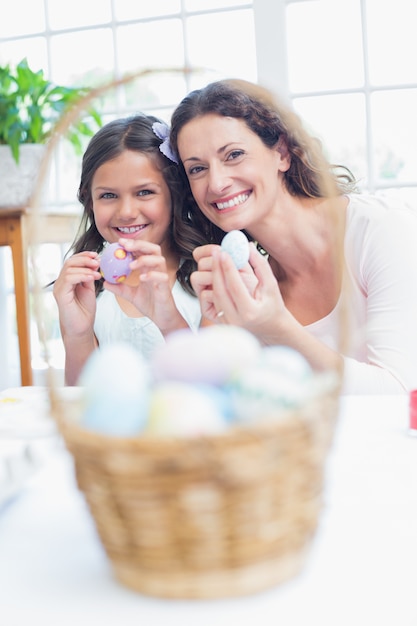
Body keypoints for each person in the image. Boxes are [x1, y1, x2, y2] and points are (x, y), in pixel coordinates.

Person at [169, 78, 417, 394]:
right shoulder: (252, 289)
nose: (216, 183)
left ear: (282, 153)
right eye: (197, 169)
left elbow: (400, 394)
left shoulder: (382, 230)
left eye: (233, 155)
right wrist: (213, 324)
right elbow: (214, 409)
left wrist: (277, 329)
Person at [53, 114, 202, 386]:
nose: (127, 212)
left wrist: (169, 318)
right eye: (108, 195)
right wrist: (78, 335)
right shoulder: (87, 289)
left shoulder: (204, 277)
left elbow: (213, 389)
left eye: (144, 192)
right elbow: (81, 398)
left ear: (175, 194)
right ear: (90, 200)